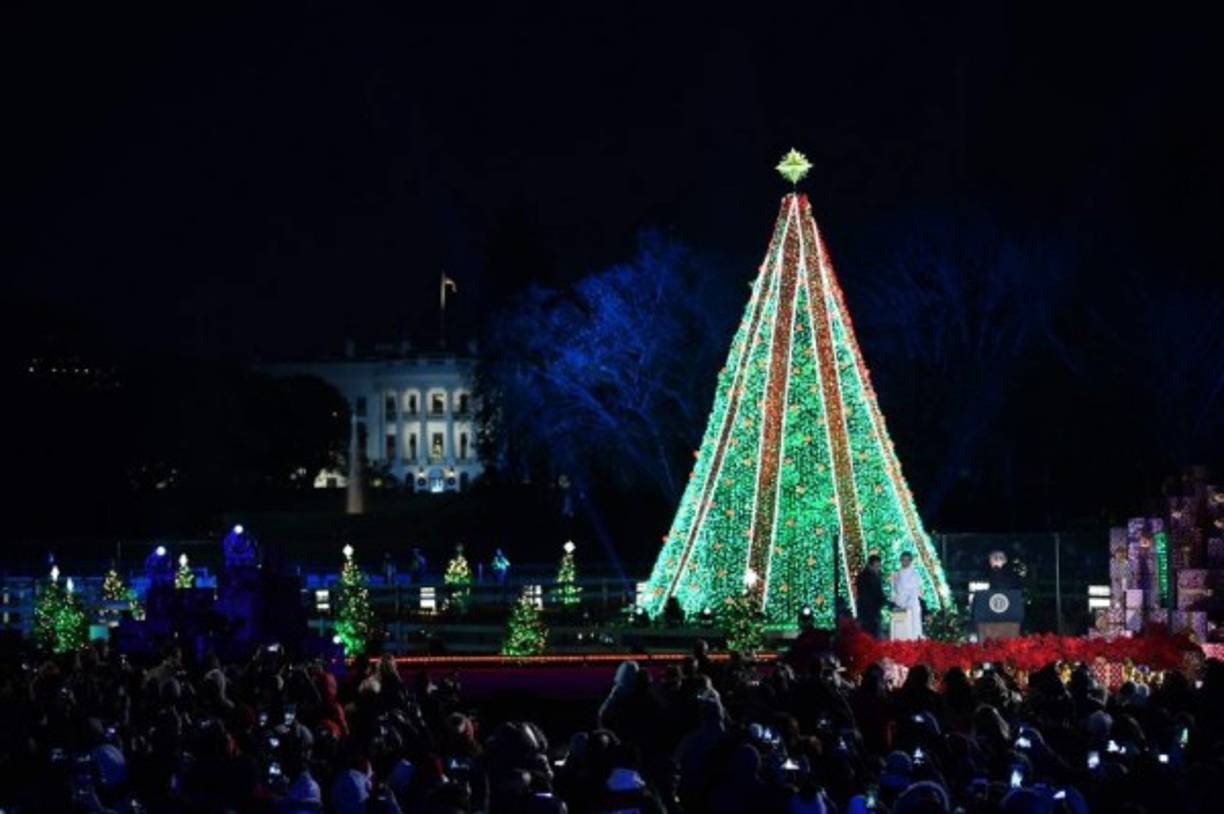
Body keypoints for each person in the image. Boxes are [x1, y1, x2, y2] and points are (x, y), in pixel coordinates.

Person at [890, 552, 923, 640]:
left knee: (913, 627)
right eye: (903, 560)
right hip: (900, 606)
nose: (905, 562)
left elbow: (915, 589)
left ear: (910, 561)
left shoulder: (914, 574)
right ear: (900, 560)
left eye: (907, 560)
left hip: (912, 605)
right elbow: (894, 589)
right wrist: (897, 600)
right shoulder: (897, 574)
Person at [855, 554, 886, 637]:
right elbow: (866, 594)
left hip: (875, 611)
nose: (878, 568)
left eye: (879, 566)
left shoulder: (878, 576)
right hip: (866, 611)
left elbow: (880, 592)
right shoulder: (863, 577)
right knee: (868, 634)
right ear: (870, 565)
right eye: (876, 566)